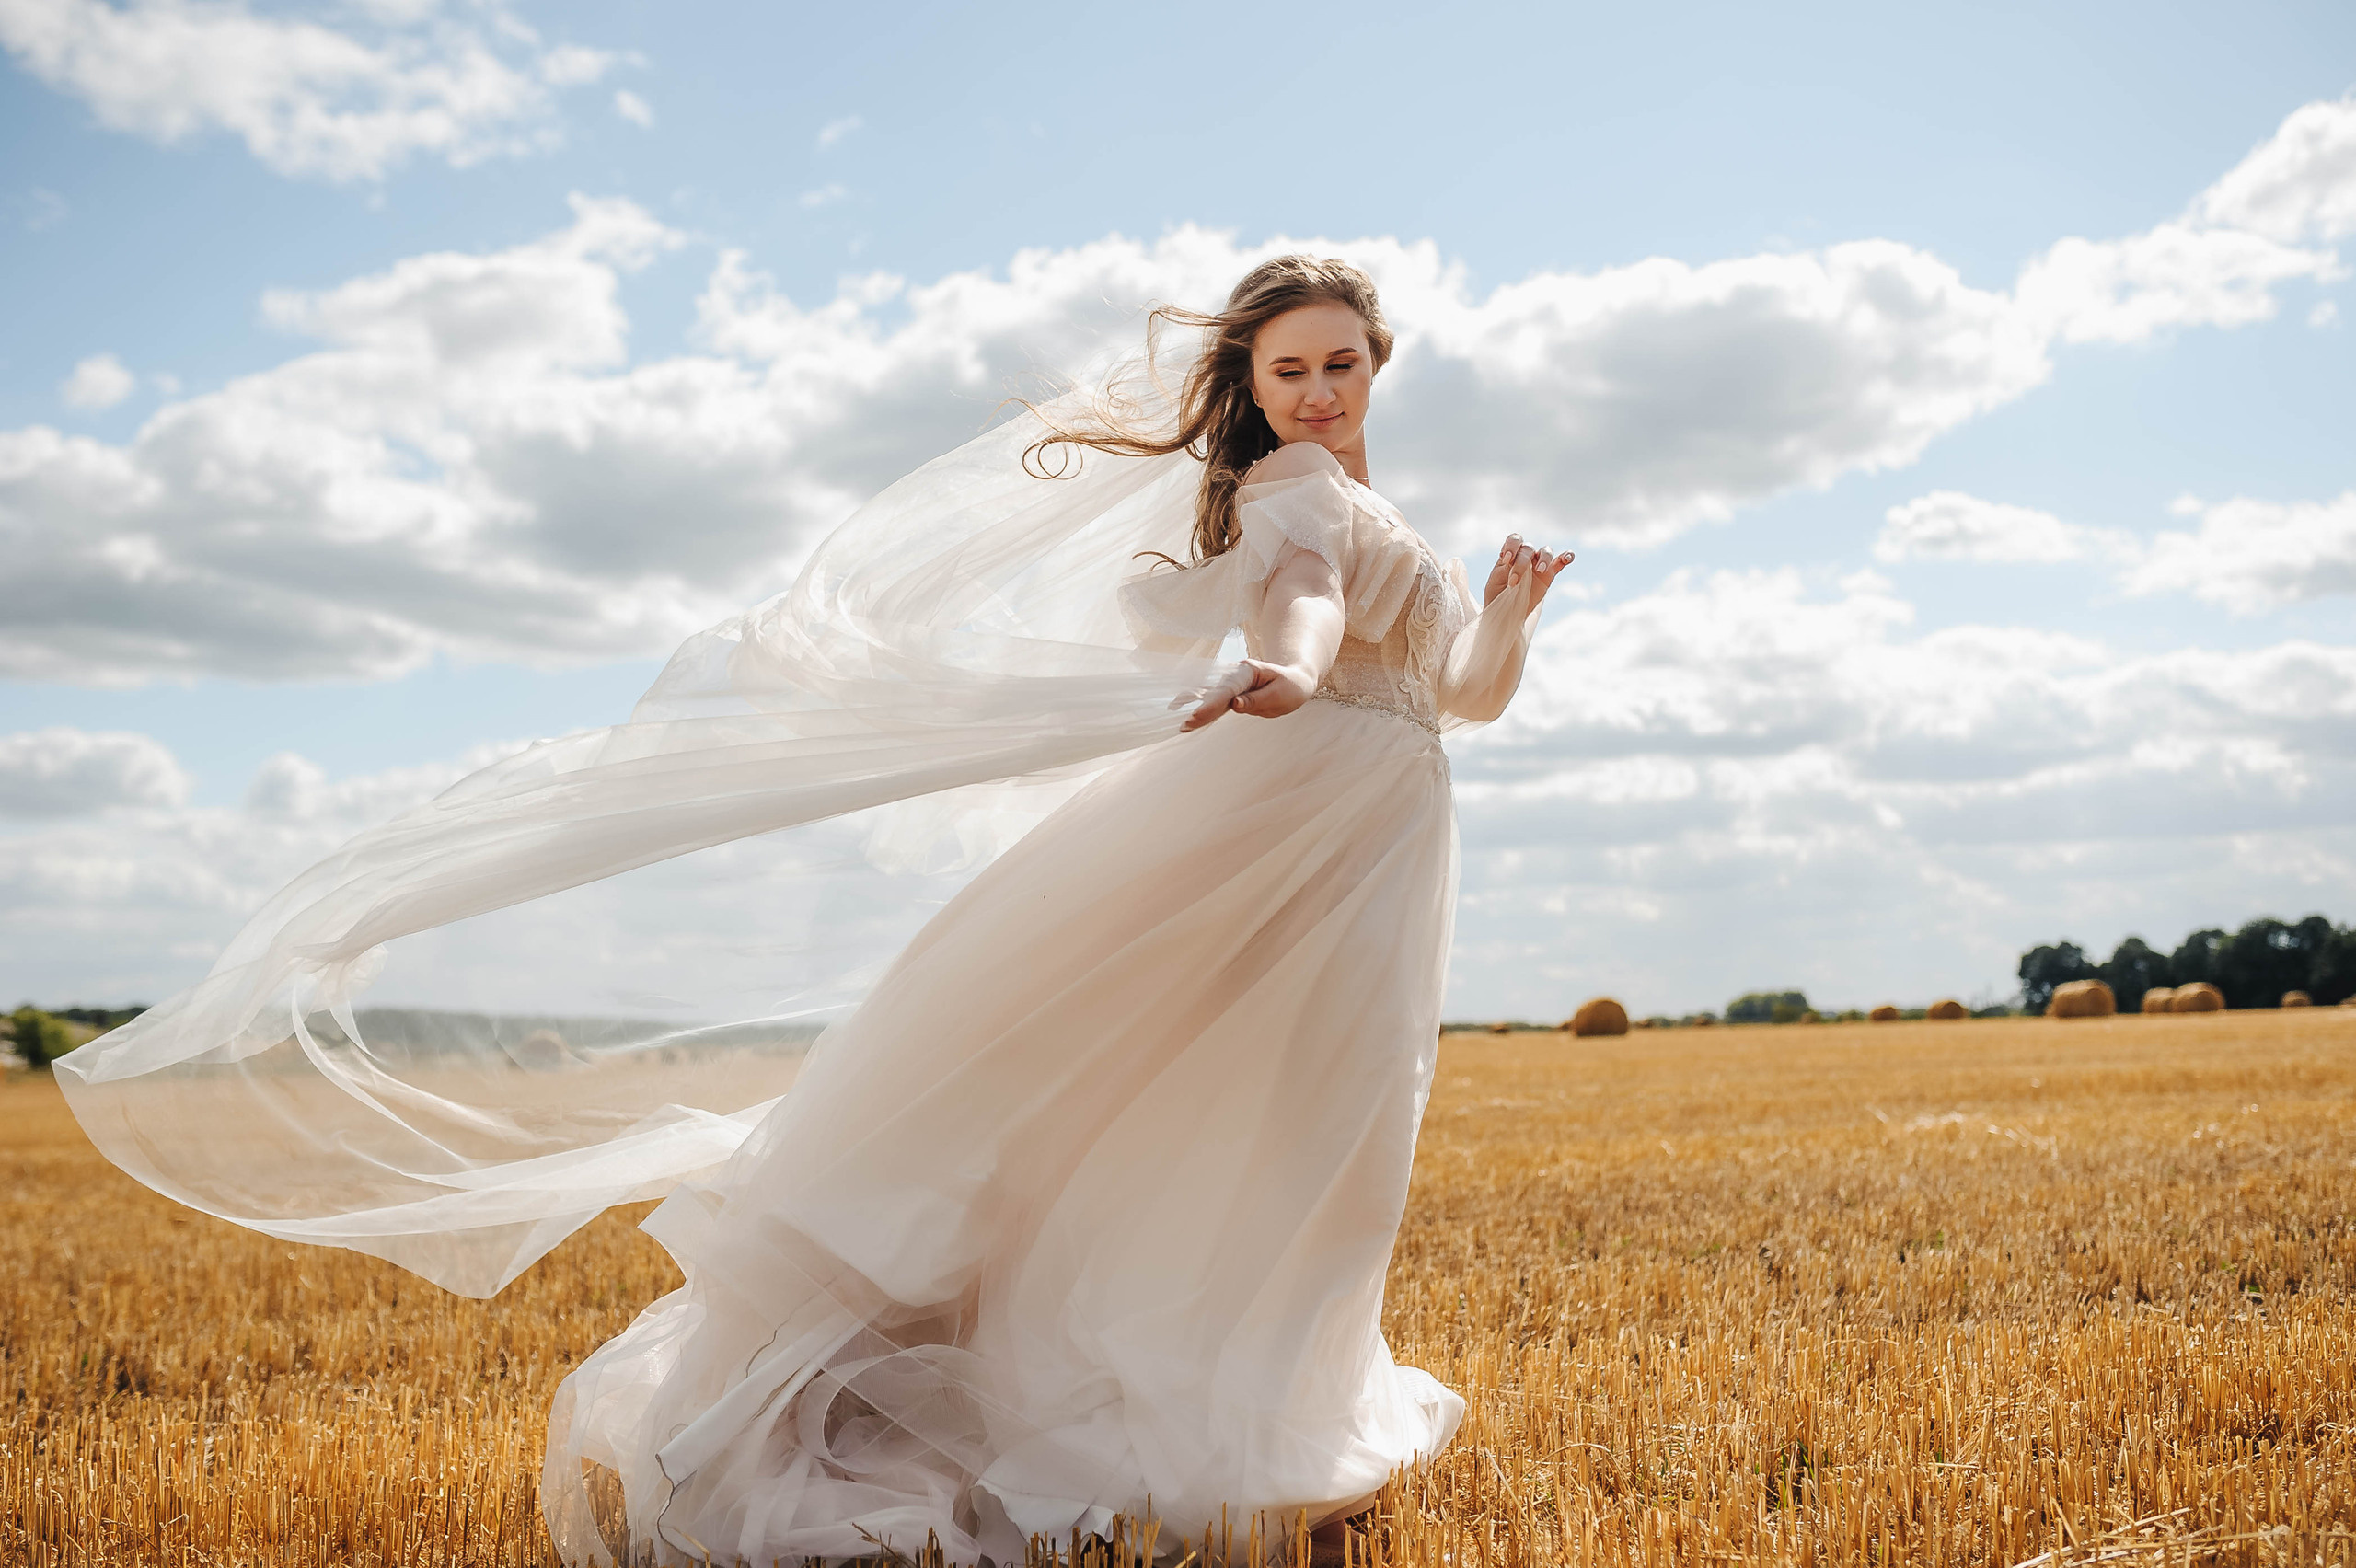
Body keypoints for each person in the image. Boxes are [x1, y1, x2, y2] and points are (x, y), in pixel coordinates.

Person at [56, 255, 1569, 1566]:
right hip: (1286, 819)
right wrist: (1291, 670)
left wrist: (1502, 615)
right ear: (1253, 382)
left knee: (1318, 1125)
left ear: (1381, 365)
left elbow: (1467, 700)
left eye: (1340, 364)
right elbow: (1301, 599)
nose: (1316, 390)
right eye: (1288, 367)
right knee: (1279, 1121)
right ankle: (1222, 1433)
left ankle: (1258, 1407)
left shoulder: (1378, 502)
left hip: (1372, 836)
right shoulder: (1295, 496)